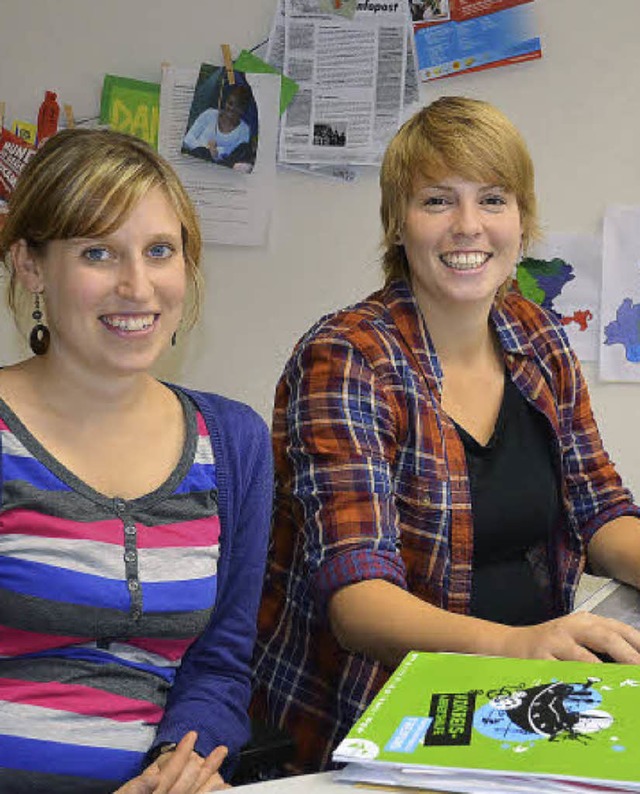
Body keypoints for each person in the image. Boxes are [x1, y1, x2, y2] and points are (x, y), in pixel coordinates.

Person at [251, 96, 640, 773]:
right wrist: (518, 647)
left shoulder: (535, 334)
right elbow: (359, 603)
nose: (468, 227)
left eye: (493, 199)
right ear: (396, 225)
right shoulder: (346, 358)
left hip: (527, 704)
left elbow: (599, 508)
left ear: (523, 220)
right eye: (437, 201)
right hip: (372, 720)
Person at [0, 128, 273, 792]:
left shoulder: (234, 442)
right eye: (98, 252)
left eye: (159, 251)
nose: (137, 284)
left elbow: (218, 666)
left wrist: (179, 769)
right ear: (31, 266)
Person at [182, 84, 255, 172]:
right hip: (195, 159)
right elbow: (187, 139)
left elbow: (235, 155)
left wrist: (216, 153)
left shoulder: (244, 130)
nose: (232, 108)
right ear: (225, 102)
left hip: (220, 168)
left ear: (243, 110)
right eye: (230, 103)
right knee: (202, 152)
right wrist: (207, 149)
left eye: (238, 106)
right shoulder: (209, 114)